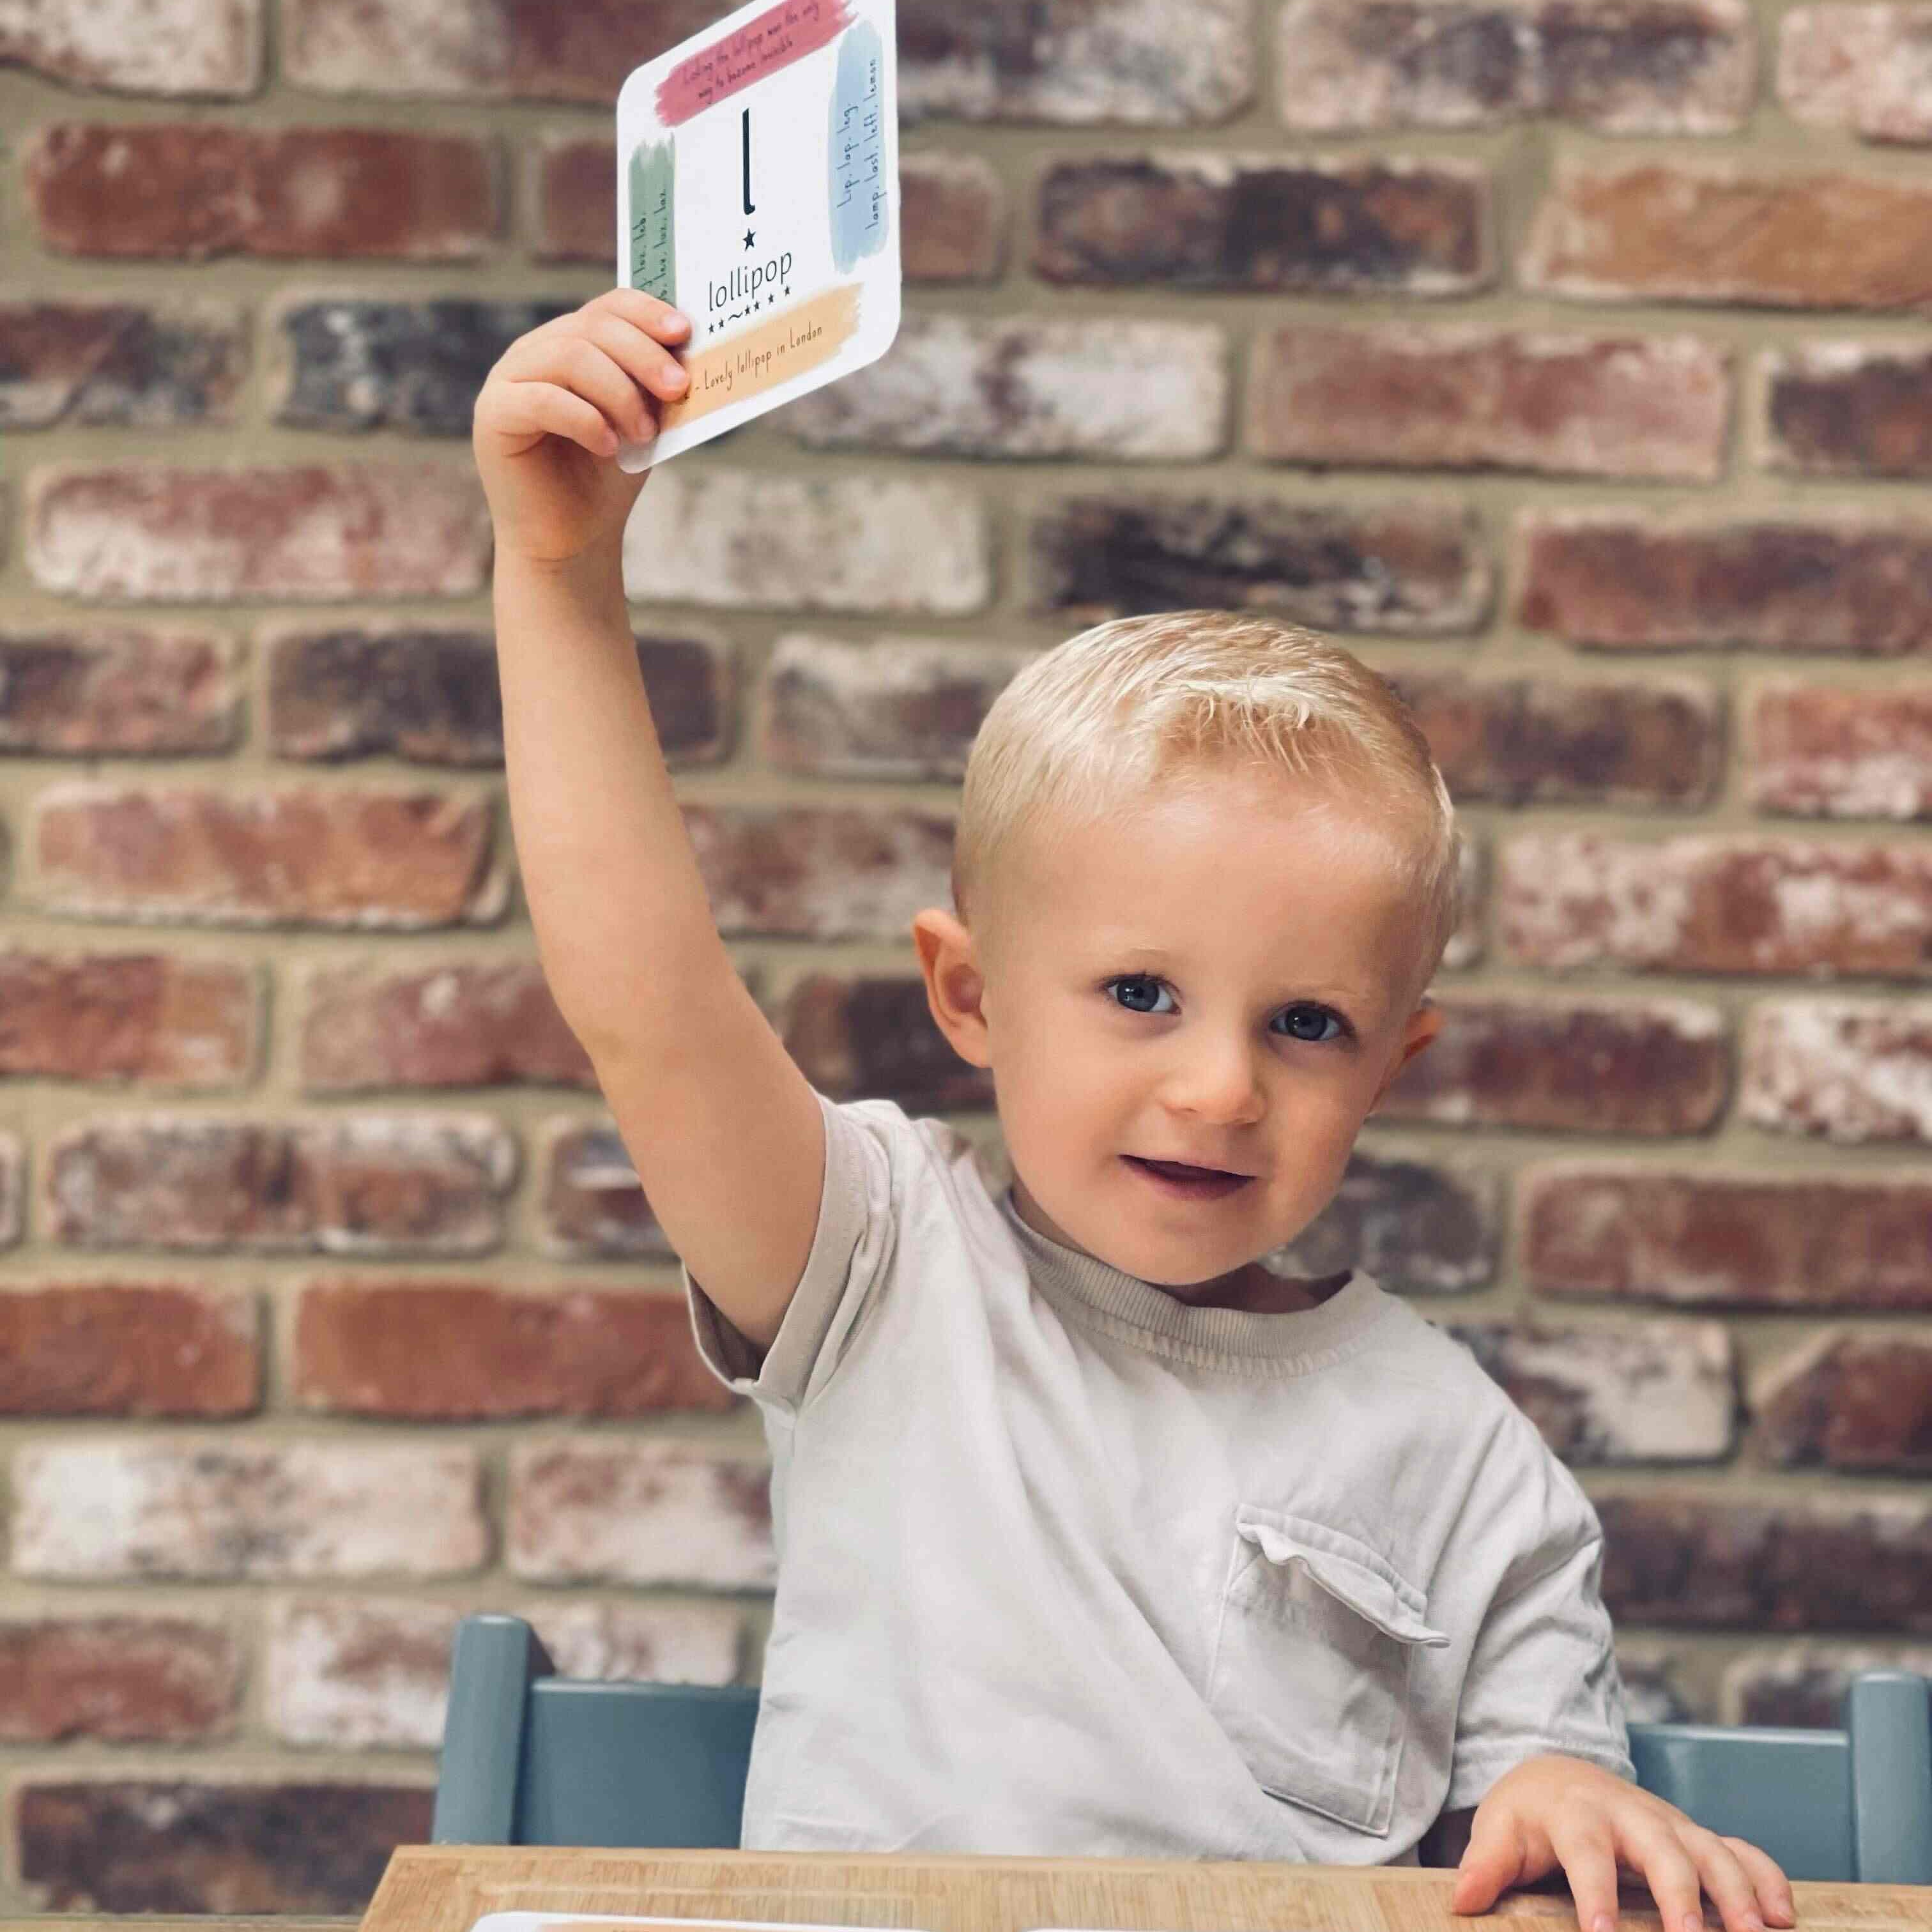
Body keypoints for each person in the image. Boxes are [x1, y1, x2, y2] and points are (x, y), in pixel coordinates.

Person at [472, 288, 1797, 1932]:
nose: (1222, 1087)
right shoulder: (880, 1264)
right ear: (971, 997)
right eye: (1141, 994)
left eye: (1306, 1024)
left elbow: (1547, 1818)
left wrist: (1562, 1797)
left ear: (1392, 1067)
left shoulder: (1468, 1460)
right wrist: (557, 576)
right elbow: (648, 1010)